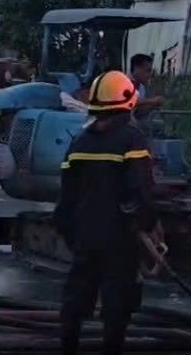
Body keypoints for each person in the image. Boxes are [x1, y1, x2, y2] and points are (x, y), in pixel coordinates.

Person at [54, 71, 157, 355]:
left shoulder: (80, 142)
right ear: (127, 103)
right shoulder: (132, 139)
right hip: (119, 239)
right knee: (117, 304)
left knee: (75, 301)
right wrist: (146, 225)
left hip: (85, 236)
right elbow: (142, 192)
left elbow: (65, 199)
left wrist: (72, 235)